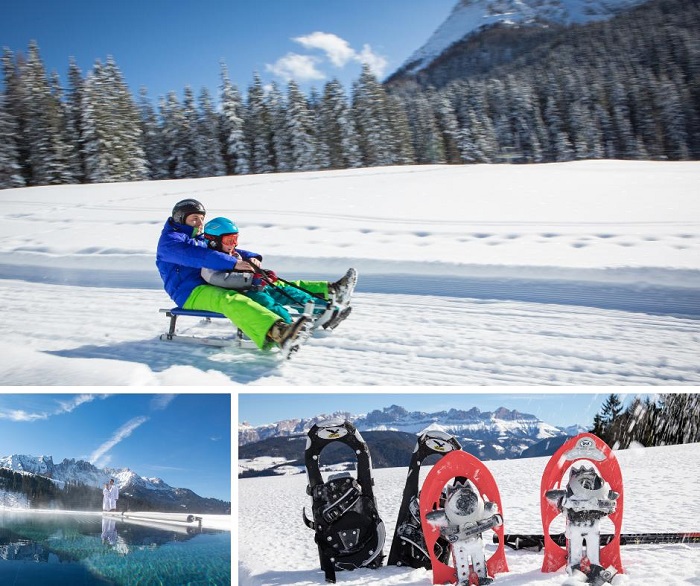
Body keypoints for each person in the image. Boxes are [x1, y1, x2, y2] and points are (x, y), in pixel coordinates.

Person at [156, 199, 310, 350]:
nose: (200, 223)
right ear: (180, 219)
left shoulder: (198, 238)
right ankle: (277, 332)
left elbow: (221, 250)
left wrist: (251, 257)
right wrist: (233, 264)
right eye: (194, 219)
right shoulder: (170, 243)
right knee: (228, 300)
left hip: (209, 283)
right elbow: (200, 256)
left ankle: (286, 323)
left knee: (253, 292)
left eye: (202, 218)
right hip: (188, 292)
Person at [200, 216, 356, 328]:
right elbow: (220, 279)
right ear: (213, 240)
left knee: (291, 292)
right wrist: (250, 279)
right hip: (244, 293)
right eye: (229, 240)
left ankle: (326, 313)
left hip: (257, 286)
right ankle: (288, 327)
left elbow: (249, 268)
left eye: (235, 239)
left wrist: (262, 273)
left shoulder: (234, 254)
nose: (233, 244)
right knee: (270, 304)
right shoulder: (208, 261)